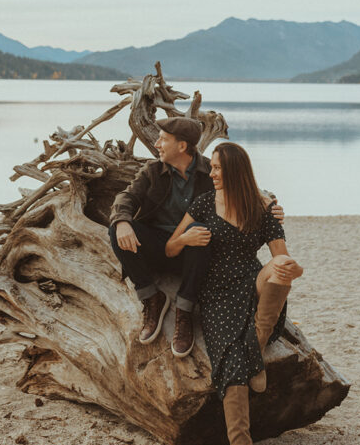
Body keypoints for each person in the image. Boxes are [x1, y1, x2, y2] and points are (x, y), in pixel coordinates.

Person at [166, 141, 302, 445]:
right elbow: (169, 247)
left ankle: (255, 342)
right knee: (233, 369)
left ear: (235, 171)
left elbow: (280, 257)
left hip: (254, 283)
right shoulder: (204, 203)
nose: (210, 173)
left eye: (217, 168)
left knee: (281, 269)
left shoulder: (262, 209)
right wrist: (184, 238)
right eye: (210, 166)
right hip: (217, 294)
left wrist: (284, 260)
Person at [108, 118, 284, 358]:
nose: (157, 144)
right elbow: (125, 198)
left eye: (163, 139)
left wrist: (270, 204)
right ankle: (151, 298)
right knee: (117, 228)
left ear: (182, 146)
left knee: (202, 231)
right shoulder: (152, 171)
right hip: (160, 245)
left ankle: (184, 310)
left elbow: (244, 186)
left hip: (198, 254)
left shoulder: (209, 172)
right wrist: (122, 222)